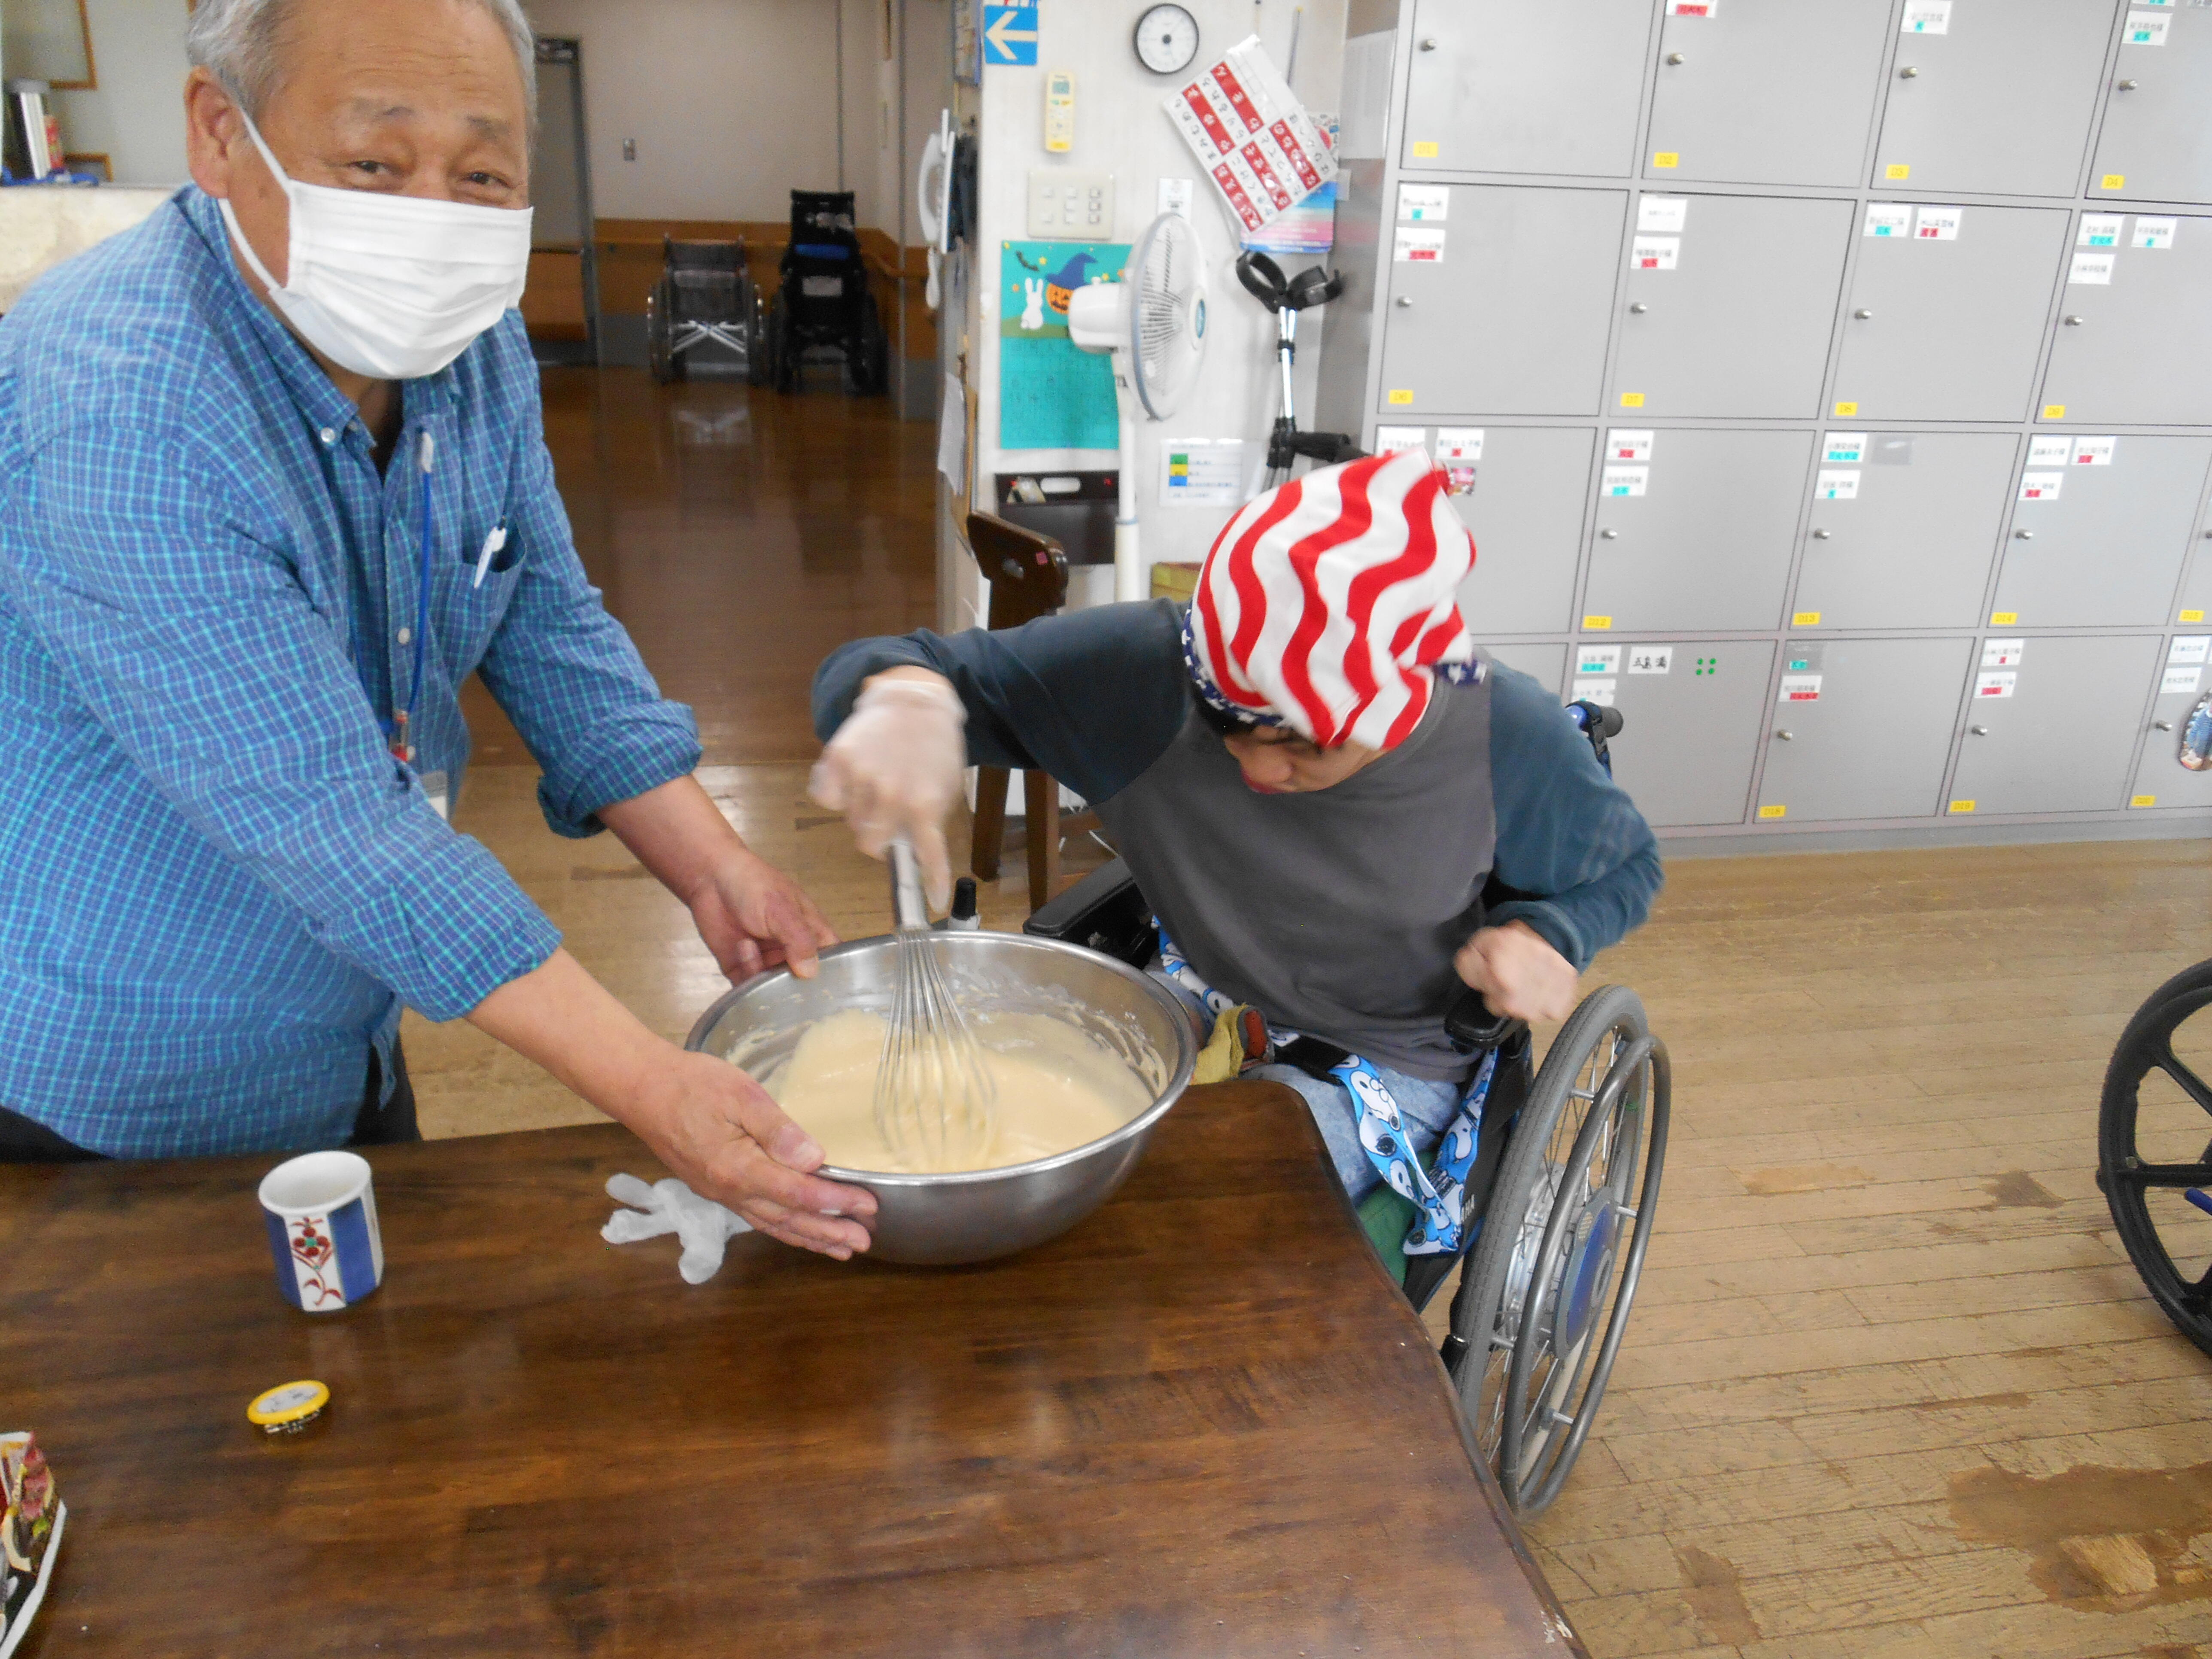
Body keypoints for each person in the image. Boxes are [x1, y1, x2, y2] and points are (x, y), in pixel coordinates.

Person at [0, 0, 872, 1259]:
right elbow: (334, 824)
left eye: (483, 176)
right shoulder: (117, 405)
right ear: (220, 132)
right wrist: (647, 1082)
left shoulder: (468, 343)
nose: (431, 217)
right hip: (124, 1086)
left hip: (347, 1030)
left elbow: (545, 616)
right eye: (373, 162)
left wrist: (712, 866)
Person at [811, 448, 1662, 1237]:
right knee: (1021, 1142)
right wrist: (902, 698)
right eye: (1226, 724)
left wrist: (1550, 934)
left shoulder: (1501, 735)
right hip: (1199, 986)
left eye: (1303, 746)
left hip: (1389, 1053)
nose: (1255, 768)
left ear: (1388, 712)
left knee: (1194, 1212)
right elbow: (896, 661)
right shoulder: (1145, 673)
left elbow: (1626, 868)